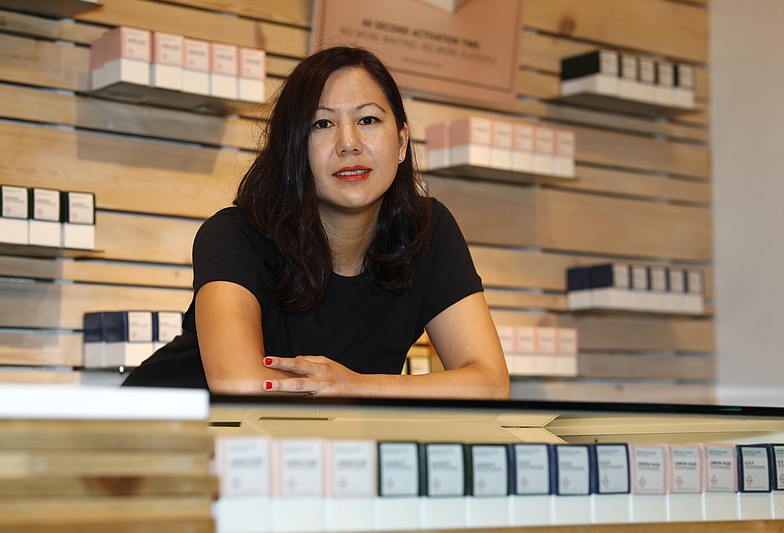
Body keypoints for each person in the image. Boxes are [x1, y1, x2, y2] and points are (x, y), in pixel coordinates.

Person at [123, 46, 509, 399]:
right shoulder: (235, 233)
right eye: (322, 125)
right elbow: (240, 385)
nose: (349, 143)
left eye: (369, 119)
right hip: (160, 438)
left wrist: (358, 387)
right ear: (294, 147)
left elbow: (490, 383)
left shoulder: (427, 231)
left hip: (304, 448)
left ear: (402, 142)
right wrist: (353, 392)